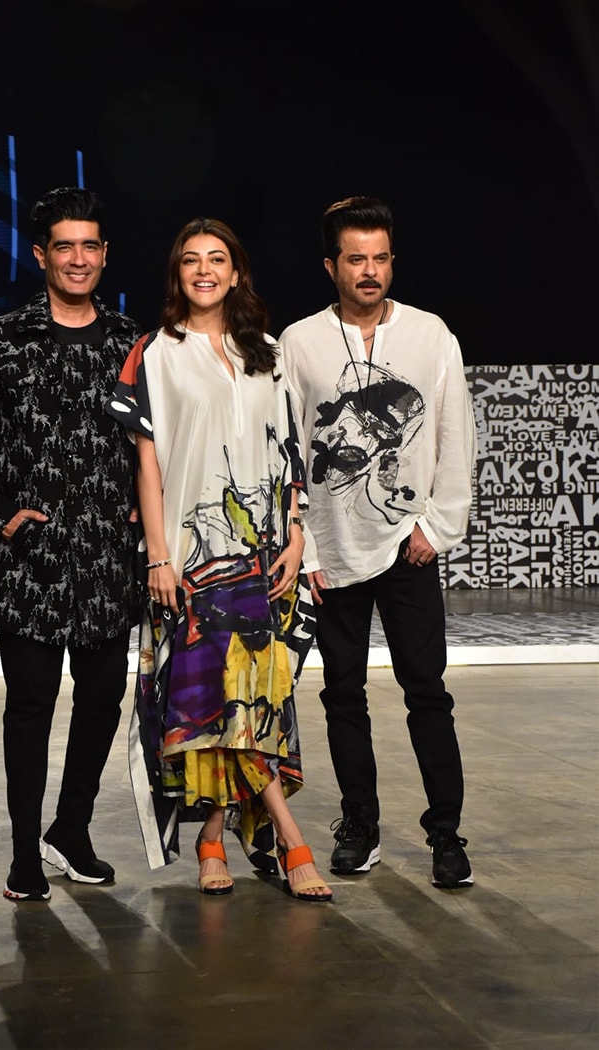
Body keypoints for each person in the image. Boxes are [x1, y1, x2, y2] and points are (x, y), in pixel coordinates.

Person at [104, 217, 332, 902]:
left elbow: (289, 452)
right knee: (219, 705)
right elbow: (145, 464)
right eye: (191, 261)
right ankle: (293, 840)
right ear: (177, 275)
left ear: (236, 273)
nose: (205, 270)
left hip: (265, 556)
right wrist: (157, 556)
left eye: (218, 259)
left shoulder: (268, 351)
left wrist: (297, 535)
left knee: (250, 703)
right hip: (194, 562)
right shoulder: (155, 351)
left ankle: (211, 835)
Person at [0, 186, 143, 902]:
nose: (79, 258)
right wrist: (0, 514)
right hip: (29, 566)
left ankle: (72, 830)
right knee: (29, 707)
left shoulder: (131, 342)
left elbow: (157, 446)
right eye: (65, 245)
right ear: (41, 255)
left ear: (105, 255)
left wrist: (145, 521)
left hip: (107, 562)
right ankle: (25, 853)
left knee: (101, 702)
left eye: (91, 245)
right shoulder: (2, 339)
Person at [279, 196, 476, 889]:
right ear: (331, 265)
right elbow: (290, 446)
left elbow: (455, 436)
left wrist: (437, 526)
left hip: (408, 545)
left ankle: (446, 835)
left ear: (393, 261)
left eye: (380, 258)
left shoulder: (431, 337)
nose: (369, 271)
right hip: (332, 550)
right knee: (343, 694)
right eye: (355, 259)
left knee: (428, 693)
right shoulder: (298, 343)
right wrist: (301, 538)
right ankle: (359, 826)